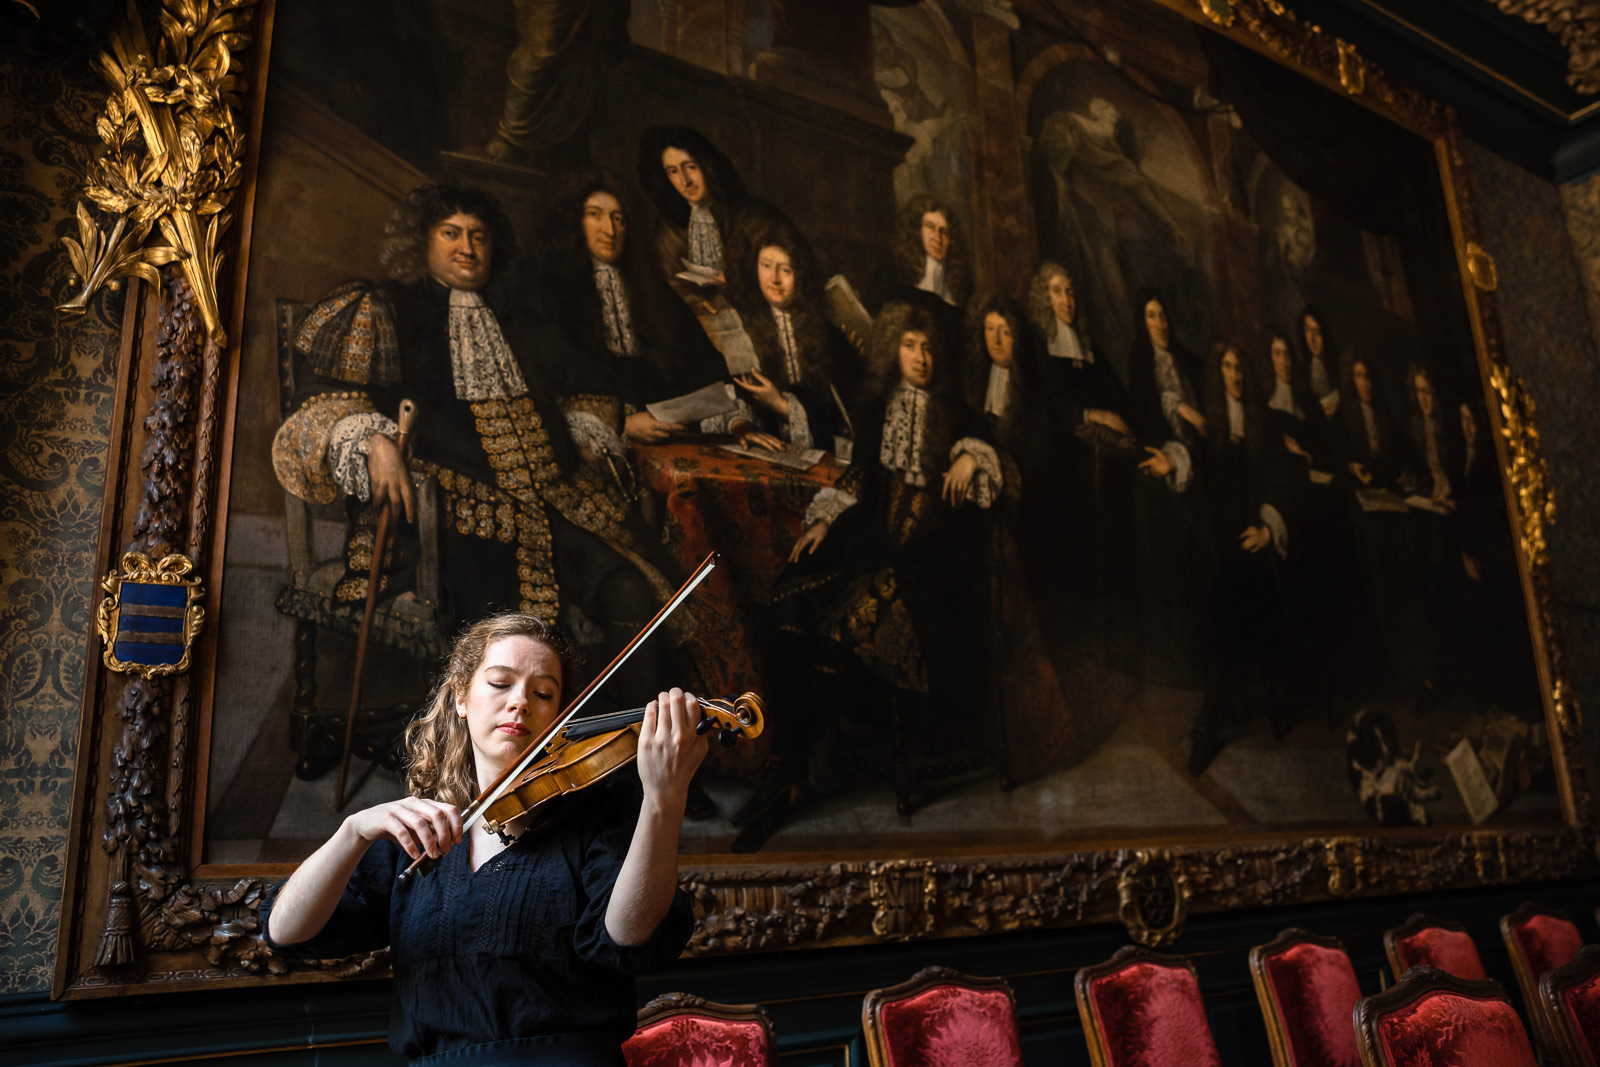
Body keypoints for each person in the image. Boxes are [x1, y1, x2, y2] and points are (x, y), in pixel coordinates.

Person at [271, 183, 682, 710]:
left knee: (629, 587)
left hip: (555, 509)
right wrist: (372, 439)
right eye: (451, 233)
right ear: (423, 242)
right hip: (447, 525)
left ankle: (632, 754)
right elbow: (326, 401)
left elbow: (587, 389)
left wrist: (580, 426)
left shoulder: (523, 323)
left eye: (479, 236)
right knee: (515, 642)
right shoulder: (387, 309)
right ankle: (520, 772)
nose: (467, 246)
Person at [261, 612, 707, 1065]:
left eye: (543, 693)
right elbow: (286, 933)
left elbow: (627, 939)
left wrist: (663, 801)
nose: (521, 703)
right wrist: (352, 831)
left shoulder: (600, 817)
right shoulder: (417, 836)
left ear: (559, 714)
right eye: (500, 683)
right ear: (461, 697)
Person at [732, 302, 1002, 851]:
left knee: (840, 628)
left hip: (928, 566)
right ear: (893, 352)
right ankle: (788, 765)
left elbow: (998, 472)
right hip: (870, 541)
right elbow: (861, 476)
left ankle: (795, 777)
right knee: (788, 607)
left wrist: (976, 457)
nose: (920, 357)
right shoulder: (879, 408)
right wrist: (827, 520)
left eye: (928, 348)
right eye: (909, 346)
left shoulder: (960, 414)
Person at [532, 172, 730, 449]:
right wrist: (622, 425)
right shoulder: (551, 293)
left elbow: (705, 367)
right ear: (575, 222)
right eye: (595, 215)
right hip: (598, 446)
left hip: (667, 436)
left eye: (618, 218)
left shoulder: (652, 291)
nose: (609, 230)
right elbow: (548, 390)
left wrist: (734, 419)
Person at [721, 217, 861, 448]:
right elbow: (728, 391)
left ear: (802, 275)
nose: (774, 279)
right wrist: (740, 424)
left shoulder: (829, 336)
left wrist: (782, 407)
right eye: (766, 266)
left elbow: (847, 421)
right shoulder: (738, 326)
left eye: (785, 269)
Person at [635, 126, 776, 317]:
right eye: (673, 172)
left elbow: (777, 266)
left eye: (690, 167)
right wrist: (694, 302)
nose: (685, 181)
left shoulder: (743, 212)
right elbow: (671, 285)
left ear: (707, 166)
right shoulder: (668, 227)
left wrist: (737, 279)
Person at [1296, 307, 1341, 418]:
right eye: (1307, 330)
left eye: (1316, 331)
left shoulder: (1339, 362)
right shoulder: (1303, 371)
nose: (1312, 339)